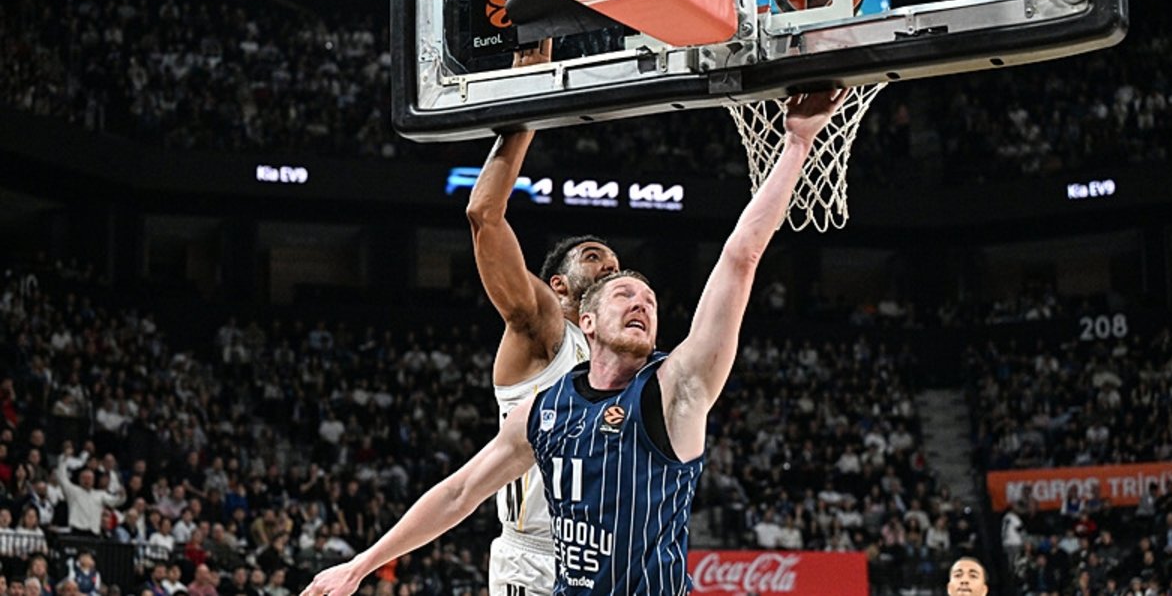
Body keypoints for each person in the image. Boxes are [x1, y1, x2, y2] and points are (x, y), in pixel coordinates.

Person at [299, 90, 849, 596]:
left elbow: (740, 256)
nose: (639, 300)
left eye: (649, 298)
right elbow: (460, 491)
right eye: (620, 290)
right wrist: (361, 564)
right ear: (581, 315)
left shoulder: (675, 386)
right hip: (536, 563)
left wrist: (798, 142)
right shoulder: (546, 390)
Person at [463, 39, 620, 595]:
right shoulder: (548, 329)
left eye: (616, 263)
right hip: (536, 561)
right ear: (558, 287)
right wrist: (521, 116)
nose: (610, 268)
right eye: (594, 257)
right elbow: (484, 214)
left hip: (608, 556)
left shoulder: (623, 361)